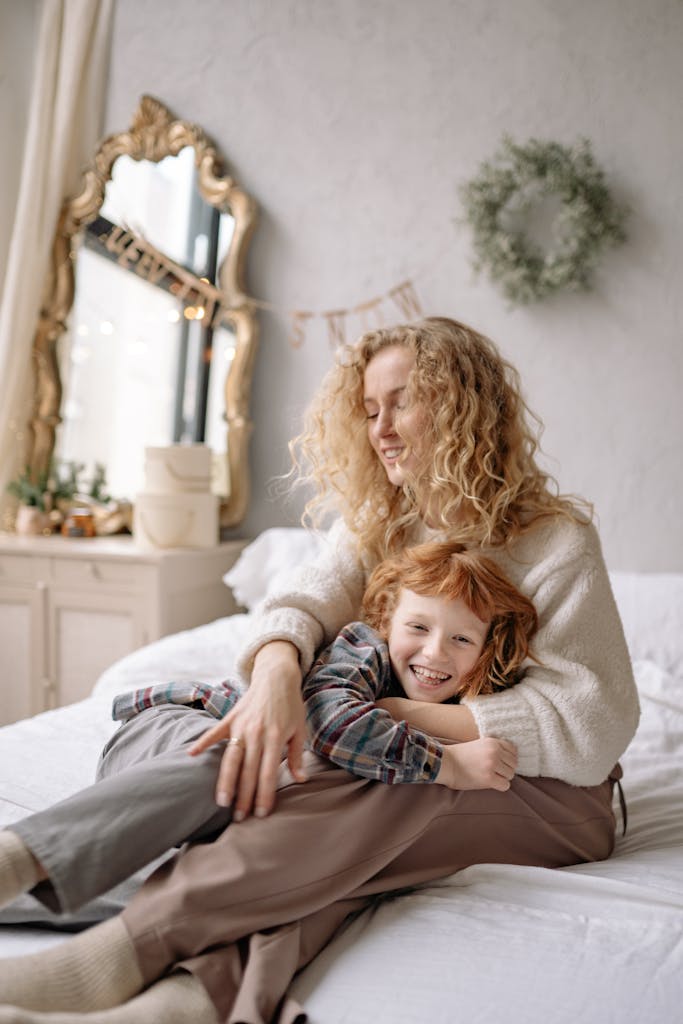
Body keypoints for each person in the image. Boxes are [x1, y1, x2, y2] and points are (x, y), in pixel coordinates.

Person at [0, 316, 639, 1024]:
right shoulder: (383, 522)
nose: (381, 429)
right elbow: (300, 603)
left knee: (386, 778)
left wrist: (393, 718)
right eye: (369, 411)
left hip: (545, 796)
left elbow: (593, 723)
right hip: (401, 768)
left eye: (401, 402)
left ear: (461, 405)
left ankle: (104, 946)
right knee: (318, 813)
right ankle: (175, 1005)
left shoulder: (555, 538)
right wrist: (275, 680)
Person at [0, 542, 533, 919]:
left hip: (184, 787)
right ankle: (17, 858)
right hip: (183, 726)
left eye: (462, 640)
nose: (435, 652)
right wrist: (449, 765)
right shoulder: (360, 649)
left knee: (237, 868)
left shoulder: (475, 698)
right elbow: (333, 725)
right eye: (418, 627)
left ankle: (31, 901)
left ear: (487, 650)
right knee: (235, 763)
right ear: (387, 621)